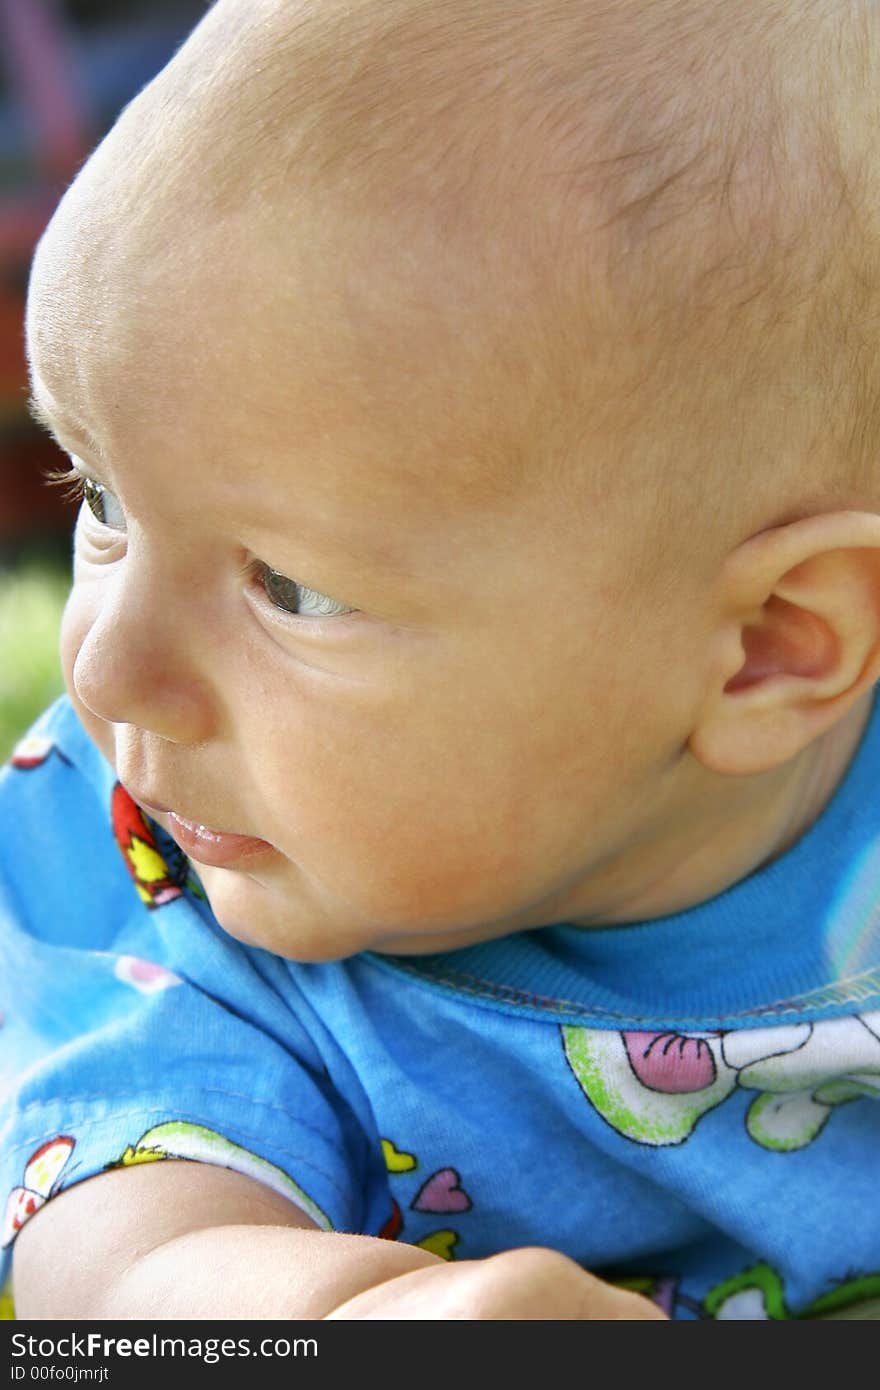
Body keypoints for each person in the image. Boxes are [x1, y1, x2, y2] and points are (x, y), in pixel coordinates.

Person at [2, 0, 880, 1321]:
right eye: (104, 497)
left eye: (291, 587)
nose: (110, 671)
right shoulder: (155, 856)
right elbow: (119, 1261)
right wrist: (348, 1315)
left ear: (768, 647)